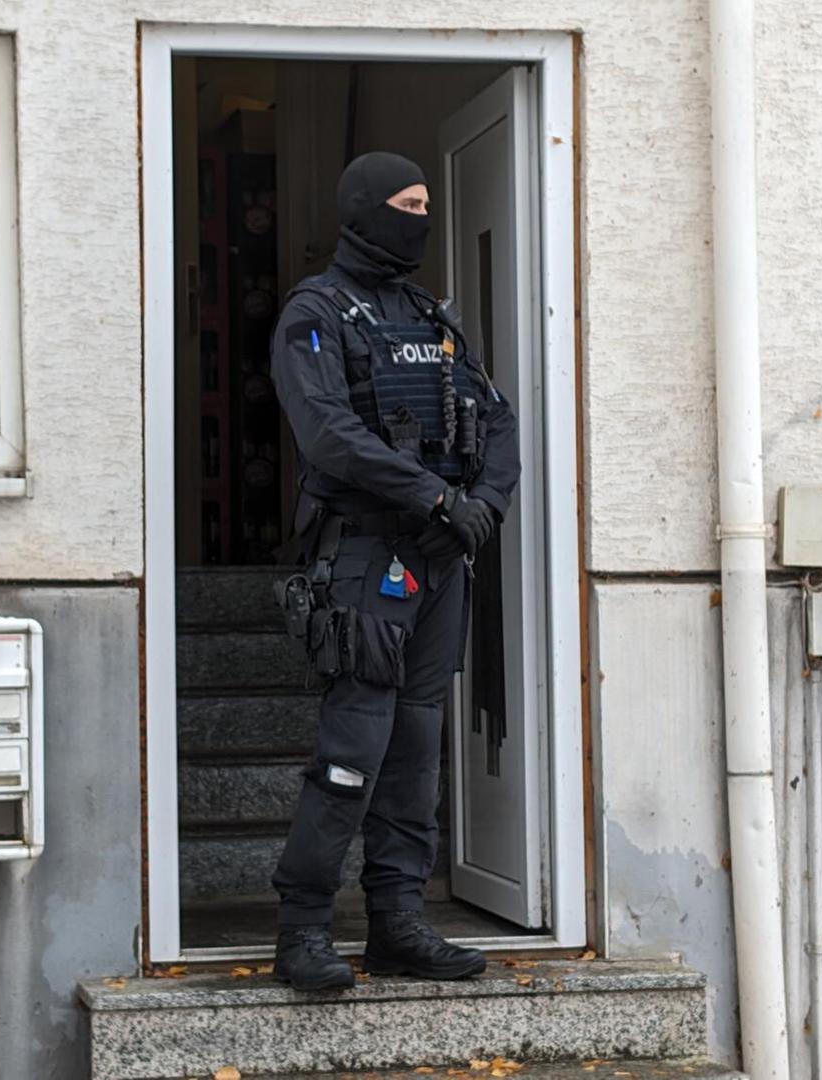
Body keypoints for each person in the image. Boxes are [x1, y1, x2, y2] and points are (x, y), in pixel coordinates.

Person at [267, 151, 520, 991]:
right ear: (366, 209)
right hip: (368, 559)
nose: (420, 217)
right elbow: (330, 434)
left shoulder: (430, 316)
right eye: (406, 204)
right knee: (354, 751)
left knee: (417, 751)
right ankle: (302, 930)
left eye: (425, 203)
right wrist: (437, 502)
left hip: (440, 563)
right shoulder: (316, 313)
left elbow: (498, 421)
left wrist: (478, 507)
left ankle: (397, 924)